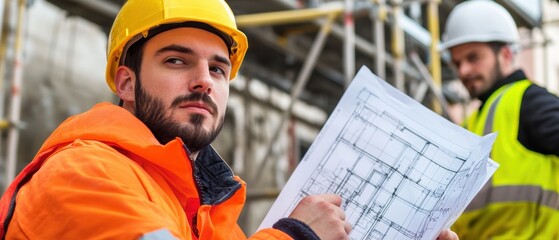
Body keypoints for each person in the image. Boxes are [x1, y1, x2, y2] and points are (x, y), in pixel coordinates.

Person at [0, 0, 458, 239]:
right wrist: (295, 235)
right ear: (126, 82)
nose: (204, 81)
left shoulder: (206, 212)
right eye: (177, 61)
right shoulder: (80, 175)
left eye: (218, 68)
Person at [440, 0, 559, 239]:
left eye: (473, 58)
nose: (463, 71)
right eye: (457, 62)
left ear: (505, 54)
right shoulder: (471, 124)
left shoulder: (529, 101)